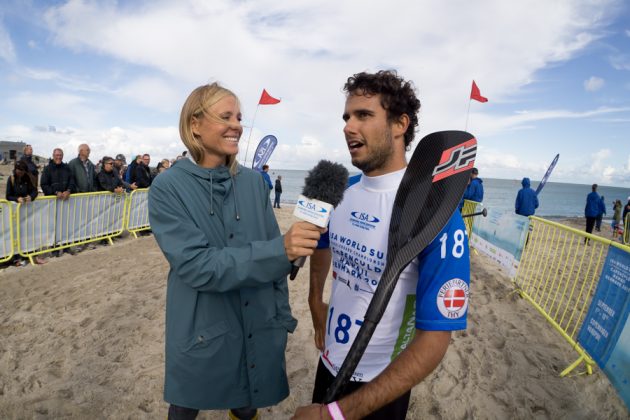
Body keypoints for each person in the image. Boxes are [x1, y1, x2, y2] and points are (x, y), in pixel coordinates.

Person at [295, 70, 470, 420]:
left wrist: (336, 415)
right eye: (346, 116)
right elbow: (322, 242)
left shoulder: (436, 213)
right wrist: (316, 300)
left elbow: (434, 342)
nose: (348, 126)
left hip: (381, 385)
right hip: (329, 362)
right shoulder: (340, 191)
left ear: (399, 124)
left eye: (363, 115)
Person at [148, 82, 324, 420]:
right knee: (186, 403)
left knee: (247, 402)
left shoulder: (254, 182)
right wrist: (279, 251)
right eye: (225, 116)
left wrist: (283, 305)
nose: (237, 125)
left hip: (258, 316)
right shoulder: (168, 187)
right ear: (195, 124)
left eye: (239, 117)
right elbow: (198, 266)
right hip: (203, 324)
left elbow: (277, 254)